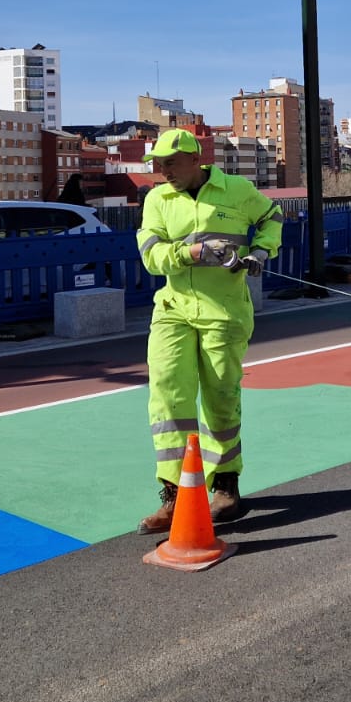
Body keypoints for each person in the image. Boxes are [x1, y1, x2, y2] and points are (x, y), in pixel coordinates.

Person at [135, 128, 284, 533]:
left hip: (225, 312)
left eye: (170, 163)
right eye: (157, 164)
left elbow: (272, 216)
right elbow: (151, 257)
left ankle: (226, 487)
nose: (162, 171)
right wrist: (193, 252)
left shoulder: (236, 189)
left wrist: (259, 251)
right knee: (167, 397)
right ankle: (173, 494)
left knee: (220, 399)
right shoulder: (156, 200)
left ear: (195, 159)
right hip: (173, 310)